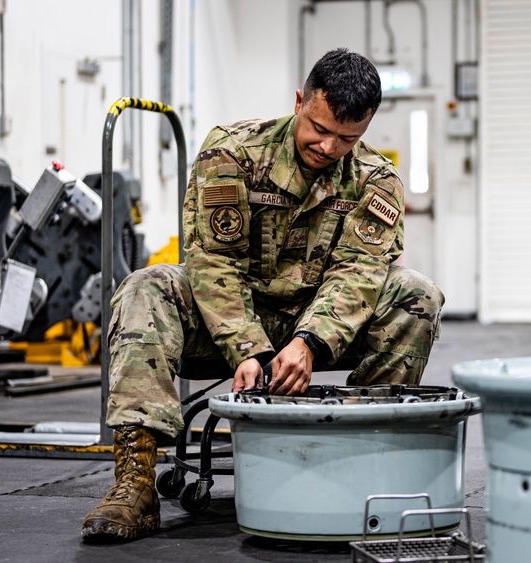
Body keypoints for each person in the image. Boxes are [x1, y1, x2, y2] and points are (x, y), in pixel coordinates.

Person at [81, 48, 444, 542]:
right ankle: (135, 485)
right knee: (146, 286)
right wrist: (246, 347)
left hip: (318, 326)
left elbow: (357, 272)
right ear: (299, 100)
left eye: (347, 137)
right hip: (227, 318)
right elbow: (212, 260)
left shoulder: (375, 179)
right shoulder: (232, 151)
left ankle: (361, 455)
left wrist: (311, 342)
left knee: (416, 293)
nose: (329, 146)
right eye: (319, 127)